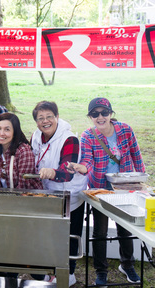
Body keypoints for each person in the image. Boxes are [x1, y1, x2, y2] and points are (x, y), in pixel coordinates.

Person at [68, 97, 144, 286]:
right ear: (90, 116)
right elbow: (87, 161)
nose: (100, 117)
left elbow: (136, 153)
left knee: (125, 228)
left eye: (104, 113)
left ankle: (127, 265)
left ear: (111, 114)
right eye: (95, 114)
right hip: (100, 189)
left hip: (125, 187)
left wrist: (142, 180)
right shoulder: (88, 135)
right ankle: (101, 271)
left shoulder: (125, 130)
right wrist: (81, 168)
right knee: (100, 232)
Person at [30, 101, 87, 286]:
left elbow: (67, 169)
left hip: (70, 194)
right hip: (48, 194)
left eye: (49, 117)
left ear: (57, 117)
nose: (45, 121)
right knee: (51, 234)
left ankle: (69, 274)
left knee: (69, 235)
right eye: (40, 118)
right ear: (36, 122)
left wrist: (54, 172)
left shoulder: (69, 139)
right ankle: (51, 271)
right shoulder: (36, 136)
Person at [0, 113, 42, 190]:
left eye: (7, 129)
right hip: (5, 197)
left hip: (28, 198)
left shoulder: (23, 152)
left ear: (15, 132)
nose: (1, 133)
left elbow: (23, 187)